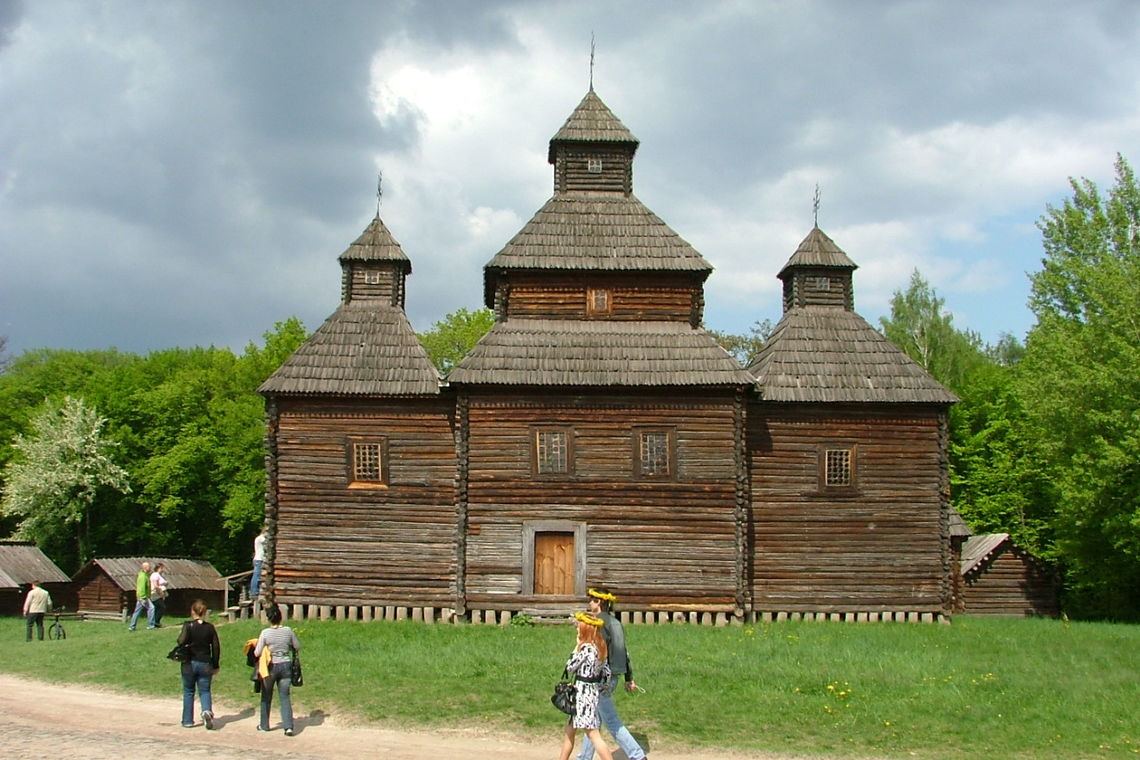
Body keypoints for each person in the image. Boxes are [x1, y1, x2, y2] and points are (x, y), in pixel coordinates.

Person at [578, 588, 648, 760]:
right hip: (614, 676)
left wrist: (589, 676)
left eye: (592, 600)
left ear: (599, 602)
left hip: (602, 677)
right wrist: (629, 678)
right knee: (593, 719)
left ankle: (637, 755)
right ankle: (584, 757)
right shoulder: (616, 623)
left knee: (610, 720)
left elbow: (598, 653)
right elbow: (624, 652)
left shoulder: (599, 623)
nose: (590, 602)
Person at [558, 612, 616, 760]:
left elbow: (570, 666)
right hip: (591, 692)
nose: (577, 628)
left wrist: (577, 646)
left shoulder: (586, 649)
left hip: (582, 696)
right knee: (570, 731)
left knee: (593, 735)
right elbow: (607, 672)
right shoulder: (600, 648)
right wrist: (602, 688)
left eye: (579, 626)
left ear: (585, 629)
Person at [254, 602, 300, 735]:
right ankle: (288, 727)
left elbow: (257, 652)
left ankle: (264, 725)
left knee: (266, 695)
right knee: (285, 697)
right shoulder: (288, 631)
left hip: (270, 666)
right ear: (281, 617)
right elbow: (297, 646)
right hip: (285, 664)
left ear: (269, 619)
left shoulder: (265, 633)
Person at [178, 599, 221, 728]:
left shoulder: (188, 625)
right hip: (205, 663)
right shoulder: (210, 627)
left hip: (189, 663)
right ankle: (206, 711)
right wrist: (215, 664)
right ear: (205, 612)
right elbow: (216, 647)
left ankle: (187, 720)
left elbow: (180, 641)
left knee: (188, 691)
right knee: (205, 691)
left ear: (193, 612)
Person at [127, 561, 152, 631]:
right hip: (143, 597)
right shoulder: (143, 576)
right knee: (151, 608)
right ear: (145, 568)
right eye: (149, 567)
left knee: (137, 611)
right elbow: (141, 588)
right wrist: (143, 597)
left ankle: (132, 627)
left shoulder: (145, 575)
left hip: (142, 597)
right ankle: (151, 625)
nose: (150, 568)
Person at [149, 562, 169, 628]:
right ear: (159, 568)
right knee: (161, 607)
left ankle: (155, 622)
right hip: (156, 594)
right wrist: (161, 593)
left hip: (159, 594)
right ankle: (156, 622)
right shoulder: (155, 575)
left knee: (158, 608)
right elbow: (155, 585)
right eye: (162, 568)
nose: (163, 570)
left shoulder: (159, 575)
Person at [250, 529, 266, 597]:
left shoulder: (259, 538)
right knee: (257, 576)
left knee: (257, 575)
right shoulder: (260, 538)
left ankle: (255, 590)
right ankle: (254, 591)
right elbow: (267, 541)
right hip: (259, 560)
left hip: (259, 559)